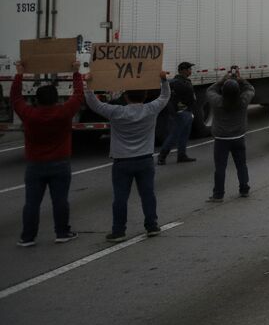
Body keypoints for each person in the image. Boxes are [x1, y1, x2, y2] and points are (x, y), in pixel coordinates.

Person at [84, 69, 171, 242]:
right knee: (147, 194)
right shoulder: (151, 109)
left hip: (122, 161)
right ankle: (152, 225)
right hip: (145, 159)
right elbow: (164, 97)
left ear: (126, 97)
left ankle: (118, 231)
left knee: (120, 198)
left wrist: (88, 85)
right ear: (145, 96)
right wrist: (163, 81)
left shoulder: (117, 112)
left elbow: (94, 104)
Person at [12, 60, 84, 246]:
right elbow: (78, 95)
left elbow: (16, 99)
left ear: (36, 100)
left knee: (32, 203)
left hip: (35, 164)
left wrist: (19, 75)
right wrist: (76, 73)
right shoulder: (63, 113)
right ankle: (62, 232)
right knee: (60, 200)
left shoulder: (30, 115)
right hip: (60, 162)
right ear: (56, 99)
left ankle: (27, 237)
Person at [205, 66, 255, 201]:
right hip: (238, 137)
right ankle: (244, 189)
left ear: (223, 91)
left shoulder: (217, 102)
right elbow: (250, 89)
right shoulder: (243, 101)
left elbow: (209, 90)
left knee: (220, 168)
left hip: (221, 139)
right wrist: (240, 79)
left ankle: (218, 194)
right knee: (241, 165)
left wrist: (222, 80)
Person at [157, 61, 198, 165]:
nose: (190, 71)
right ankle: (162, 156)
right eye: (189, 69)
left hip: (186, 111)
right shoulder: (178, 82)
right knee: (175, 134)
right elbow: (187, 96)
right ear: (183, 70)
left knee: (184, 134)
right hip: (181, 112)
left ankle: (182, 155)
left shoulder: (182, 81)